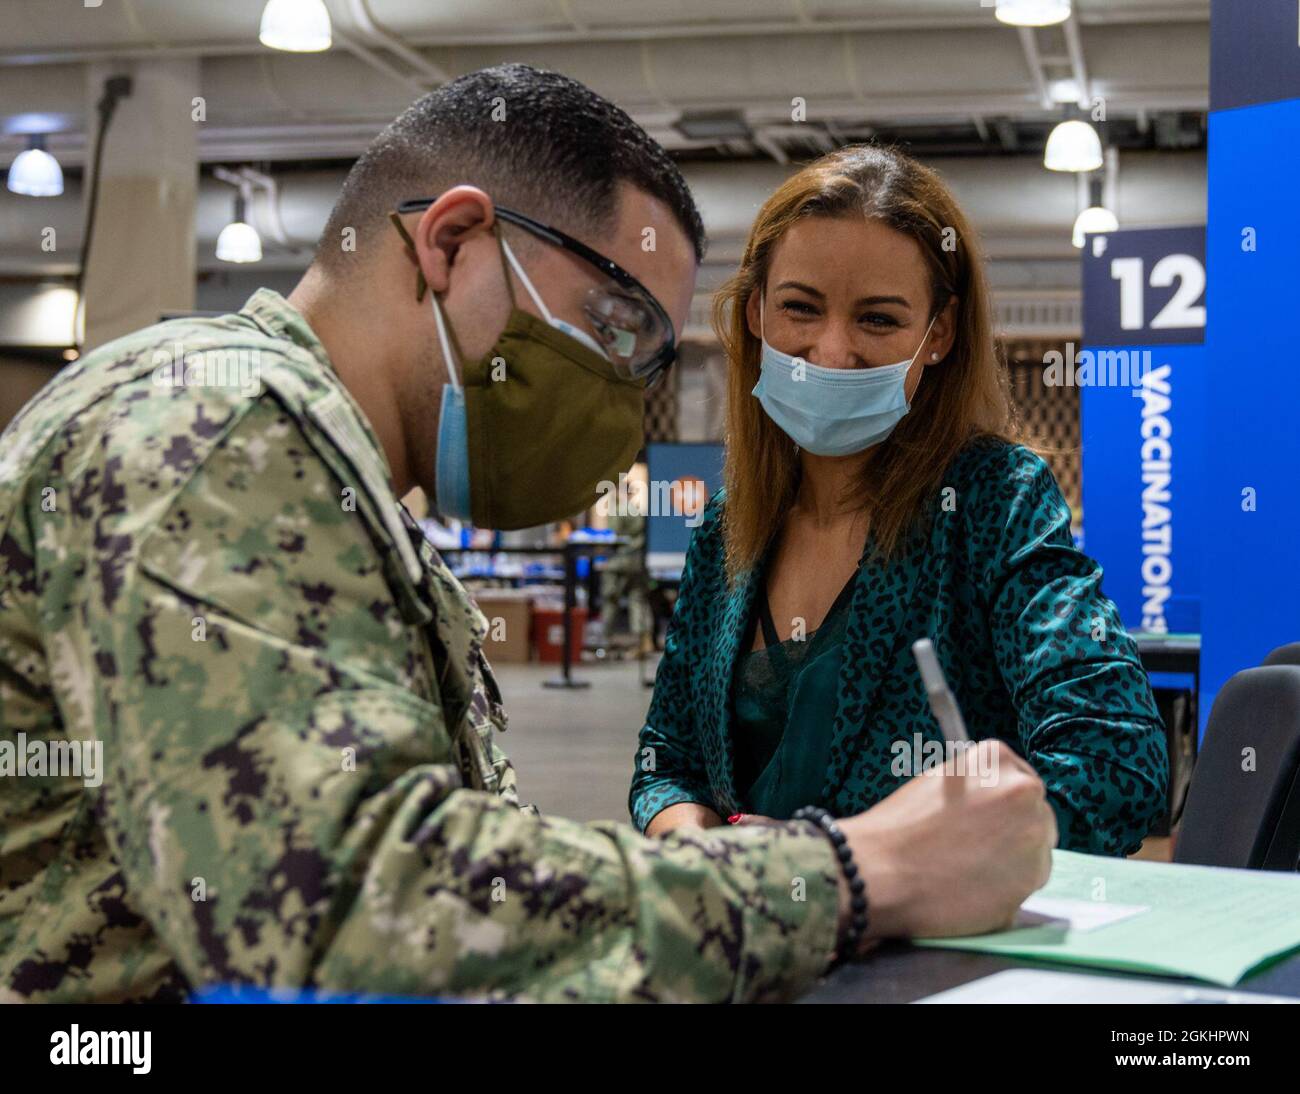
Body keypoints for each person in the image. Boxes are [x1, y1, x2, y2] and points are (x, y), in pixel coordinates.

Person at [0, 67, 1054, 1005]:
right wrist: (857, 872)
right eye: (613, 326)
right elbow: (338, 905)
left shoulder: (355, 498)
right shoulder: (218, 424)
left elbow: (454, 866)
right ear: (453, 243)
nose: (619, 394)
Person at [629, 144, 1167, 856]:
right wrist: (698, 840)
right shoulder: (725, 532)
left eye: (878, 320)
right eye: (800, 308)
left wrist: (846, 859)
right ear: (756, 313)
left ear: (937, 335)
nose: (831, 351)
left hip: (929, 953)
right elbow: (665, 764)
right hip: (751, 938)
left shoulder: (992, 503)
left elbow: (1115, 764)